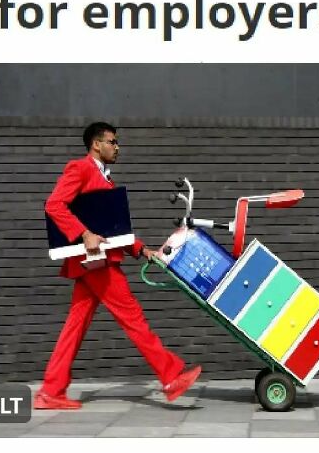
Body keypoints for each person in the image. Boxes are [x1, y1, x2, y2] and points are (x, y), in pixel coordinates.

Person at [34, 121, 201, 410]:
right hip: (97, 263)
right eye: (112, 141)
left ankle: (51, 390)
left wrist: (140, 249)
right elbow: (54, 205)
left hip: (93, 263)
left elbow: (111, 229)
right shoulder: (80, 168)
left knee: (74, 327)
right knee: (133, 317)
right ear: (96, 144)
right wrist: (83, 234)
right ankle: (170, 376)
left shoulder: (104, 179)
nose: (117, 146)